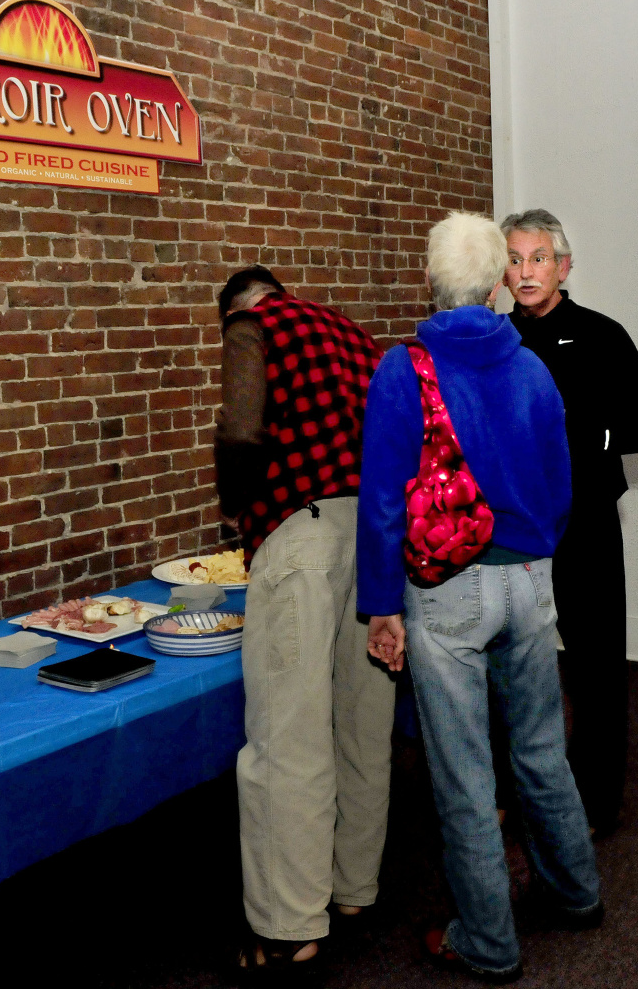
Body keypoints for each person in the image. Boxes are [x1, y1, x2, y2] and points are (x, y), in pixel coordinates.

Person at [357, 212, 601, 983]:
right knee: (540, 749)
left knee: (464, 773)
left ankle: (489, 941)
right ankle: (577, 892)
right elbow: (562, 488)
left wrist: (381, 603)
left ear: (429, 280)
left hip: (447, 591)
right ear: (498, 280)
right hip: (531, 581)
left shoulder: (405, 368)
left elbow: (383, 502)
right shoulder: (531, 367)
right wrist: (532, 555)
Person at [214, 266, 396, 974]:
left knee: (288, 736)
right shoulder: (352, 333)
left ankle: (290, 924)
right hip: (373, 539)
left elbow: (242, 428)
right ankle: (354, 888)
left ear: (239, 307)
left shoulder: (253, 327)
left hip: (302, 531)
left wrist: (234, 508)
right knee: (362, 721)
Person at [500, 209, 638, 839]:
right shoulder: (496, 344)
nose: (526, 271)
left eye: (538, 257)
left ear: (563, 265)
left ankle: (596, 808)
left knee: (595, 672)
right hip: (511, 536)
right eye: (514, 259)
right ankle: (519, 801)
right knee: (518, 674)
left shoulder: (604, 335)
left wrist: (585, 437)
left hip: (587, 527)